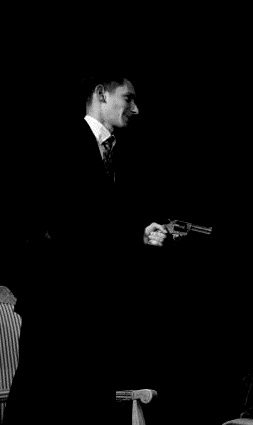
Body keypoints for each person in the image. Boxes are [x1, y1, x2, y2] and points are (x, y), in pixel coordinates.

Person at [5, 74, 168, 425]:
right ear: (101, 94)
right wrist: (34, 288)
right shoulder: (58, 142)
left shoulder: (116, 153)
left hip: (96, 303)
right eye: (128, 98)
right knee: (35, 396)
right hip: (56, 301)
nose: (135, 109)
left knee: (87, 401)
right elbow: (49, 221)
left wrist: (138, 235)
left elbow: (97, 221)